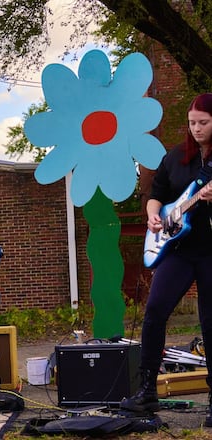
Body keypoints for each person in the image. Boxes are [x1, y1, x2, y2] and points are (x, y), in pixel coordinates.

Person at [121, 93, 212, 424]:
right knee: (155, 310)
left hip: (210, 252)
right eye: (192, 123)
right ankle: (147, 392)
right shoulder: (176, 157)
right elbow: (157, 193)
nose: (197, 128)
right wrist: (153, 216)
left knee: (210, 321)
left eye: (204, 122)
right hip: (178, 250)